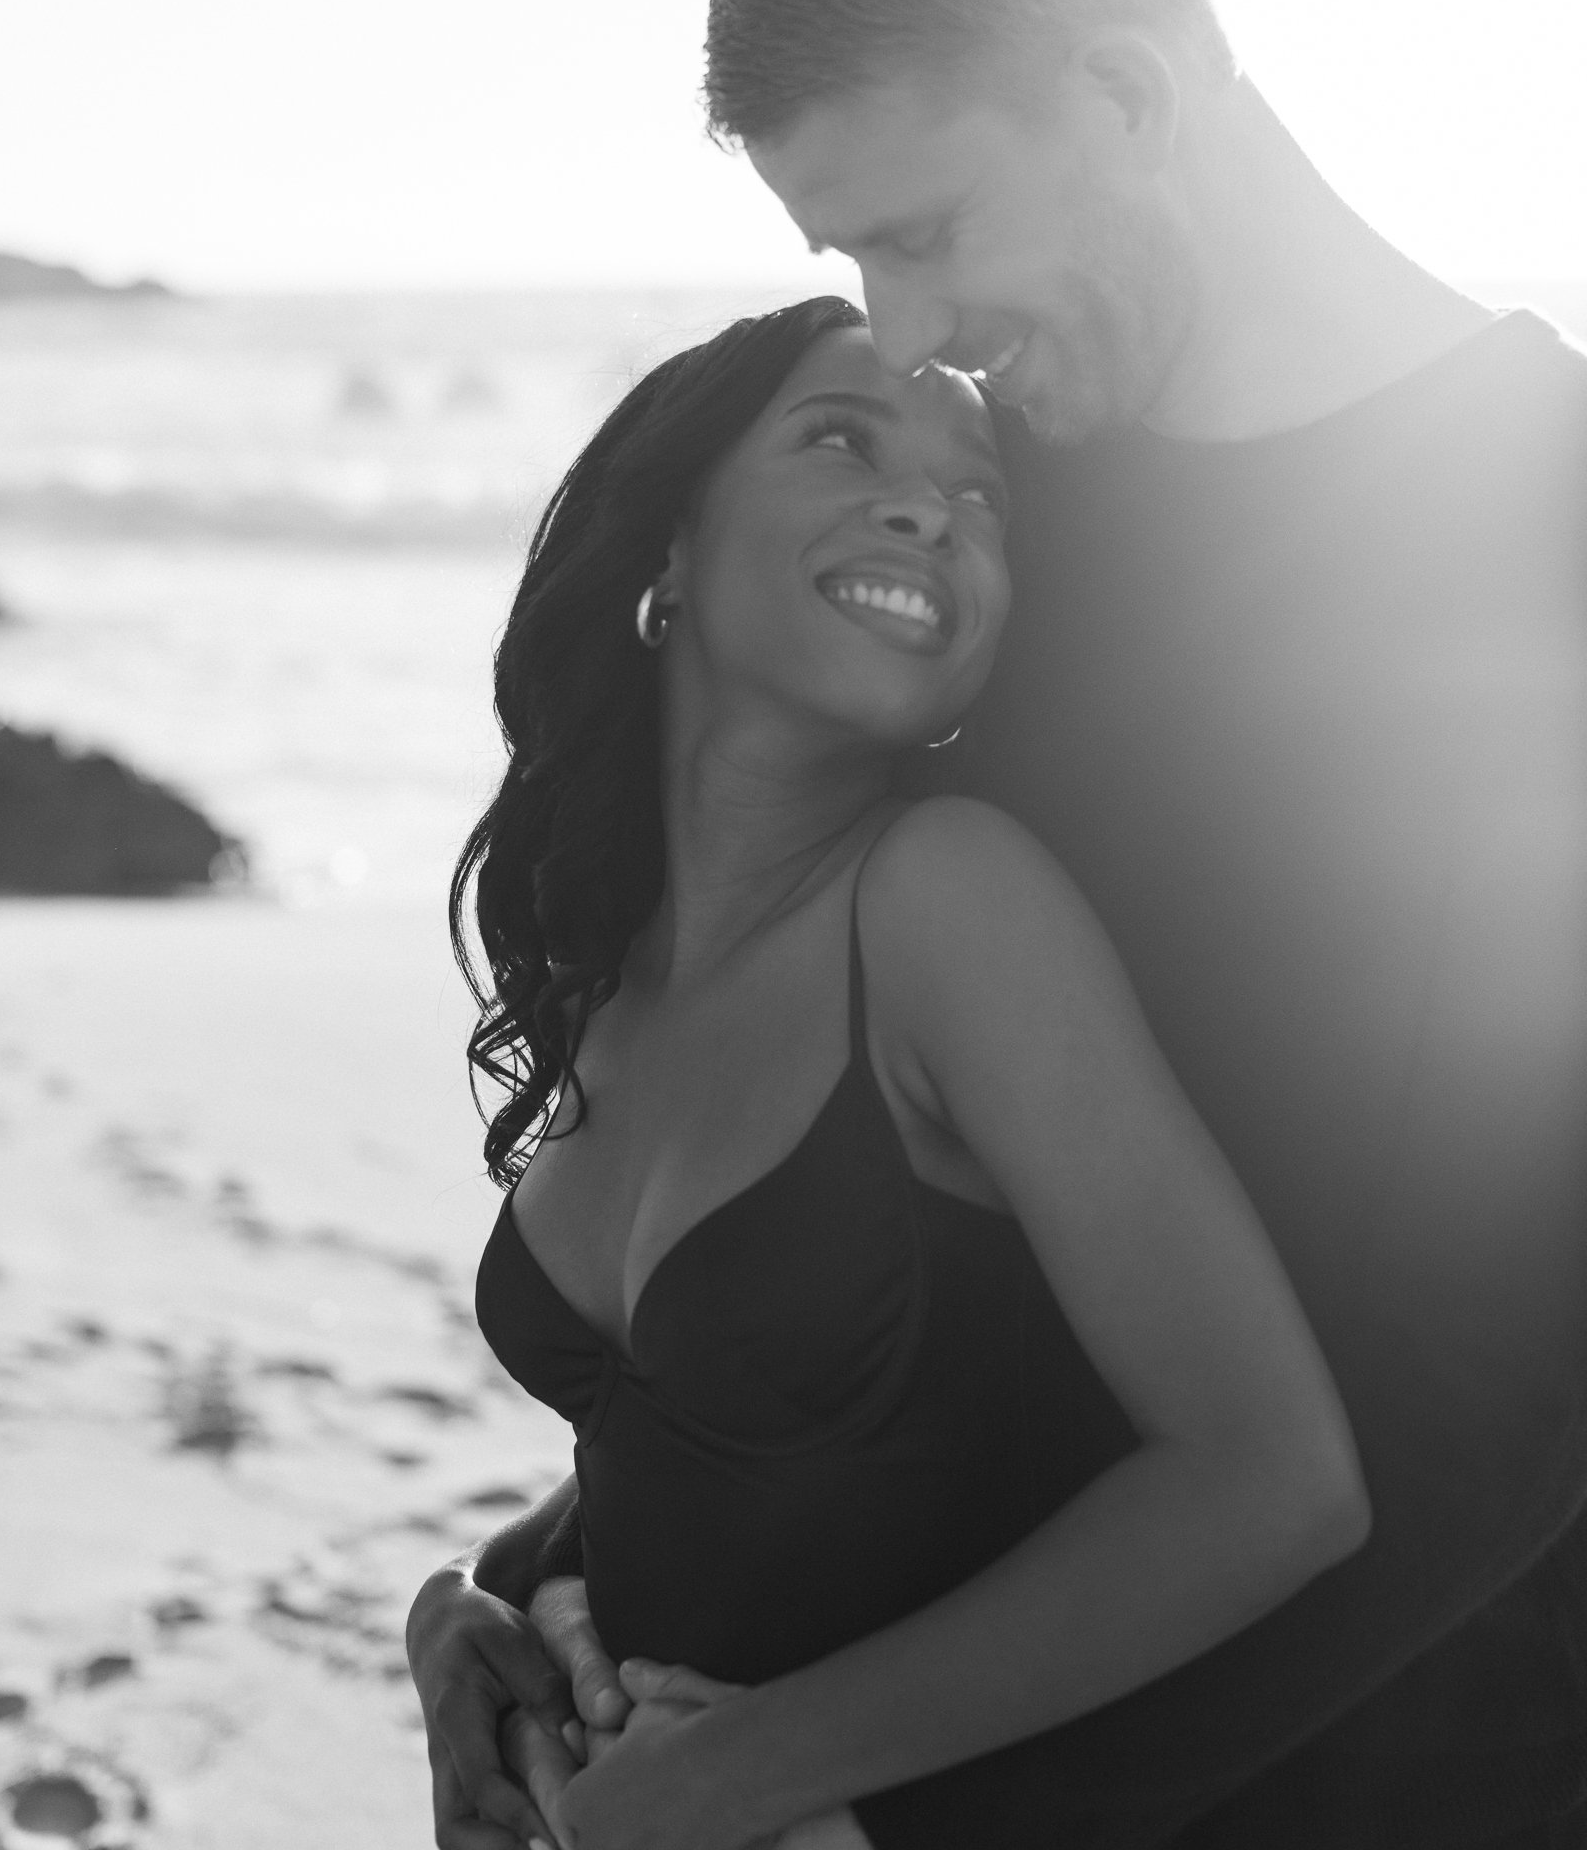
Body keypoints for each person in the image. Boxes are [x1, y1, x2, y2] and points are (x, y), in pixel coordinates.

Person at [410, 0, 1587, 1846]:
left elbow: (1497, 1407)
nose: (908, 332)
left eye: (924, 232)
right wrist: (541, 1588)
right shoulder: (983, 530)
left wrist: (876, 1815)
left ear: (1128, 97)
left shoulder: (1538, 540)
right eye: (852, 262)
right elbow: (855, 1197)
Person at [420, 291, 1372, 1850]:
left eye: (983, 495)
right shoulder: (612, 962)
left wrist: (747, 1773)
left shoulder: (946, 904)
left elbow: (1272, 1479)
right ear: (668, 551)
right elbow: (712, 1450)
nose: (928, 505)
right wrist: (464, 1608)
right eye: (843, 439)